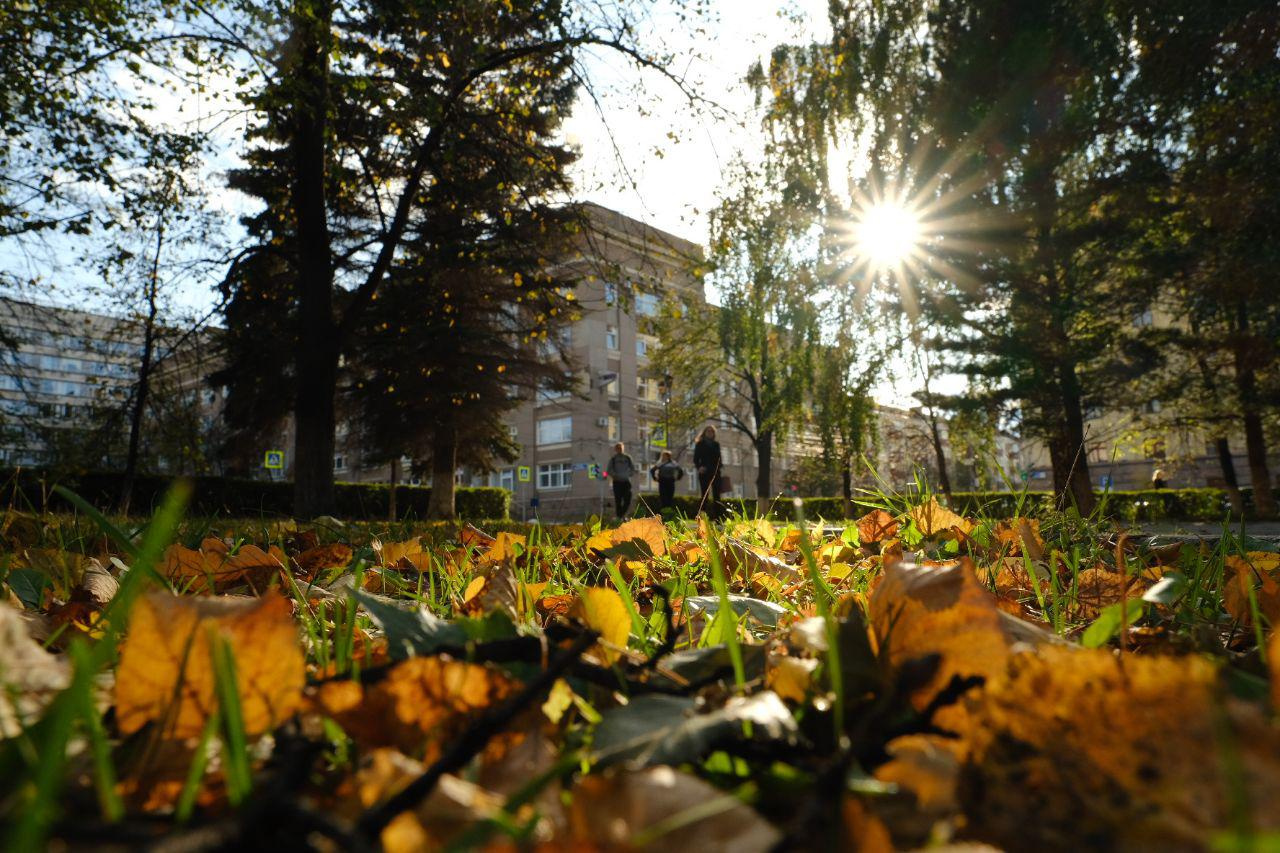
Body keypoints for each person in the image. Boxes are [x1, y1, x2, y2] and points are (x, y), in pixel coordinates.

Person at [692, 425, 722, 512]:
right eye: (708, 431)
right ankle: (701, 517)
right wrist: (699, 467)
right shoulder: (700, 444)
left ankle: (717, 518)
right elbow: (696, 459)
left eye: (712, 431)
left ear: (714, 433)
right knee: (705, 494)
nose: (710, 433)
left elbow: (719, 458)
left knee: (717, 495)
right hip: (704, 471)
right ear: (704, 433)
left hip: (715, 472)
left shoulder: (716, 444)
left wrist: (719, 467)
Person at [606, 442, 636, 518]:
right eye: (618, 448)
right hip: (617, 482)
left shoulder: (627, 458)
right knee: (618, 501)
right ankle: (620, 517)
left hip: (626, 482)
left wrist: (628, 474)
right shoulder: (613, 459)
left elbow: (633, 469)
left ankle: (621, 515)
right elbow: (609, 470)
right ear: (615, 449)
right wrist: (615, 475)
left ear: (623, 448)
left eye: (621, 447)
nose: (619, 449)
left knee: (628, 499)